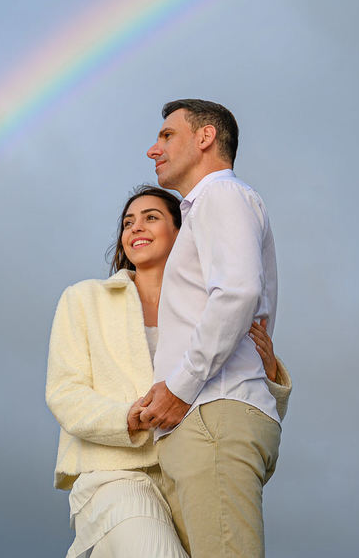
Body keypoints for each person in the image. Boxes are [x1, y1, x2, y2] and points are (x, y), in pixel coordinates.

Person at [46, 185, 291, 558]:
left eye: (151, 218)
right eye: (128, 223)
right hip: (114, 476)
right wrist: (128, 417)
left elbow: (236, 404)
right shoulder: (83, 299)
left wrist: (270, 372)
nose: (135, 229)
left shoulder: (211, 312)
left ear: (181, 231)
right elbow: (65, 393)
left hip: (187, 475)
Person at [136, 99, 281, 558]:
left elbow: (237, 293)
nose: (152, 150)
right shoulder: (205, 208)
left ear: (205, 138)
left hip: (211, 414)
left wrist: (180, 388)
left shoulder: (221, 195)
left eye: (166, 136)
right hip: (204, 422)